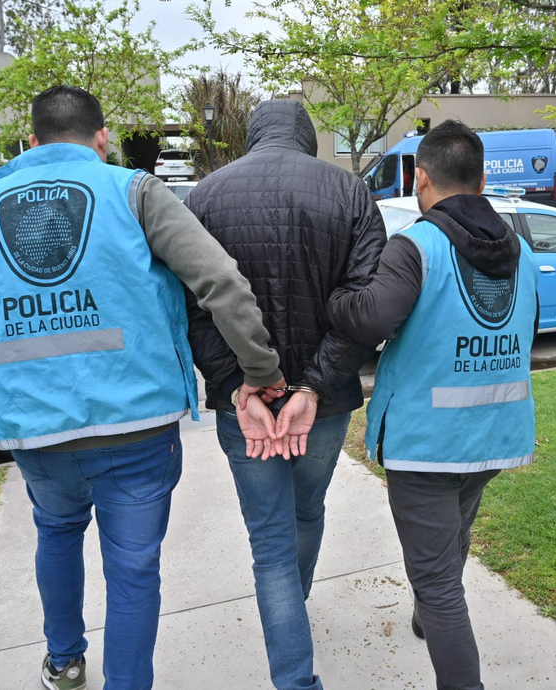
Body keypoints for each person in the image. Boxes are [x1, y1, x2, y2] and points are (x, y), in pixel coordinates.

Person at [0, 85, 284, 690]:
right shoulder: (134, 191)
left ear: (30, 143)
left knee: (55, 534)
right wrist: (261, 372)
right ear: (102, 138)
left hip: (35, 427)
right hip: (137, 423)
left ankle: (63, 660)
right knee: (134, 569)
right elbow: (221, 282)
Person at [328, 119, 539, 690]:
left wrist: (339, 295)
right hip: (495, 434)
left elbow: (370, 320)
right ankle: (428, 613)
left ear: (421, 178)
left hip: (426, 443)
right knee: (454, 535)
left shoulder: (417, 245)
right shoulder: (517, 248)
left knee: (438, 582)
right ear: (483, 177)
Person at [184, 99, 387, 690]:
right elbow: (363, 302)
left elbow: (191, 308)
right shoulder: (350, 194)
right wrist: (315, 387)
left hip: (242, 405)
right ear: (309, 137)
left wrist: (234, 384)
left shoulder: (203, 197)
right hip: (319, 407)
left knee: (271, 539)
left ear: (251, 136)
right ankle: (292, 635)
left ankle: (287, 629)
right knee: (305, 512)